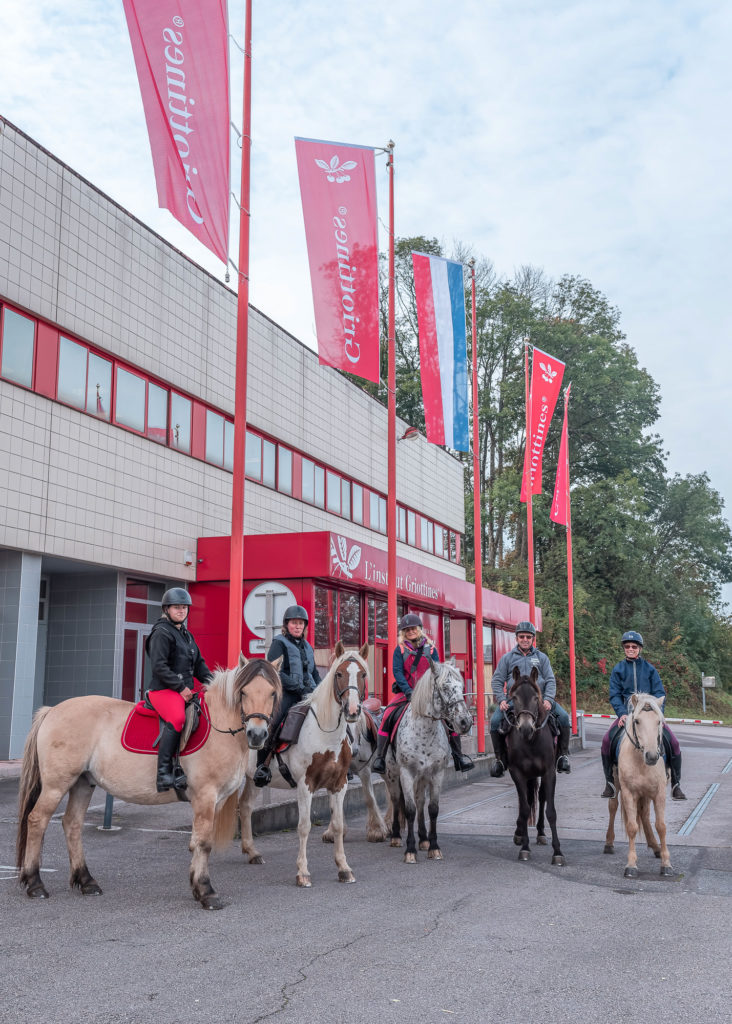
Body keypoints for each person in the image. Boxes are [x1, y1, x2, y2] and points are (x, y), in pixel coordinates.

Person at [372, 613, 474, 775]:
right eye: (407, 630)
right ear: (403, 633)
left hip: (429, 694)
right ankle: (380, 758)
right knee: (387, 715)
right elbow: (397, 672)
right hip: (406, 693)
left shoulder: (431, 649)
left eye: (413, 628)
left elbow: (437, 671)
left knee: (448, 717)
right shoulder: (399, 650)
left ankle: (459, 757)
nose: (410, 631)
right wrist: (408, 691)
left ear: (419, 629)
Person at [600, 630, 686, 800]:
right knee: (606, 741)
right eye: (627, 646)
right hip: (628, 714)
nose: (630, 649)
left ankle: (676, 783)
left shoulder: (650, 669)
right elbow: (615, 695)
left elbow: (660, 692)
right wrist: (622, 714)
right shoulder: (618, 669)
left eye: (634, 646)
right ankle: (610, 782)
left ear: (639, 648)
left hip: (650, 714)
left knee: (674, 743)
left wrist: (659, 715)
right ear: (624, 648)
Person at [145, 588, 214, 793]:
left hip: (183, 691)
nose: (181, 611)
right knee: (177, 719)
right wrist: (180, 687)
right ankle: (164, 772)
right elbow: (159, 666)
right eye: (177, 608)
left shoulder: (187, 635)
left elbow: (200, 666)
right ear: (167, 609)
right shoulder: (161, 633)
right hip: (163, 691)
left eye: (184, 608)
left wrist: (217, 685)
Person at [489, 621, 571, 778]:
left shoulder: (542, 658)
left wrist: (548, 699)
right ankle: (500, 760)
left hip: (539, 701)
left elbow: (550, 680)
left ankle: (562, 756)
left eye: (528, 637)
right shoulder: (507, 658)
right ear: (517, 638)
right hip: (515, 701)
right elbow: (497, 680)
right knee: (494, 722)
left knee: (565, 718)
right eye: (521, 637)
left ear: (533, 638)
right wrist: (501, 700)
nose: (525, 639)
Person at [252, 604, 321, 787]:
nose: (297, 626)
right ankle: (262, 766)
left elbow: (314, 674)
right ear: (286, 624)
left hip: (309, 693)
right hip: (287, 693)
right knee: (274, 722)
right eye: (294, 623)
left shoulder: (308, 647)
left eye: (300, 624)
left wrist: (321, 690)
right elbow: (274, 671)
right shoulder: (279, 643)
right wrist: (297, 687)